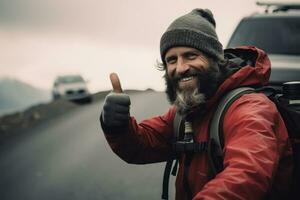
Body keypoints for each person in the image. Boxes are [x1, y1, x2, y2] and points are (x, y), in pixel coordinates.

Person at [100, 8, 293, 200]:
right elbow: (142, 145)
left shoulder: (250, 108)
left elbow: (248, 174)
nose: (180, 68)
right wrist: (117, 125)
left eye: (191, 56)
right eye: (171, 60)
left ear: (215, 59)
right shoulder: (187, 112)